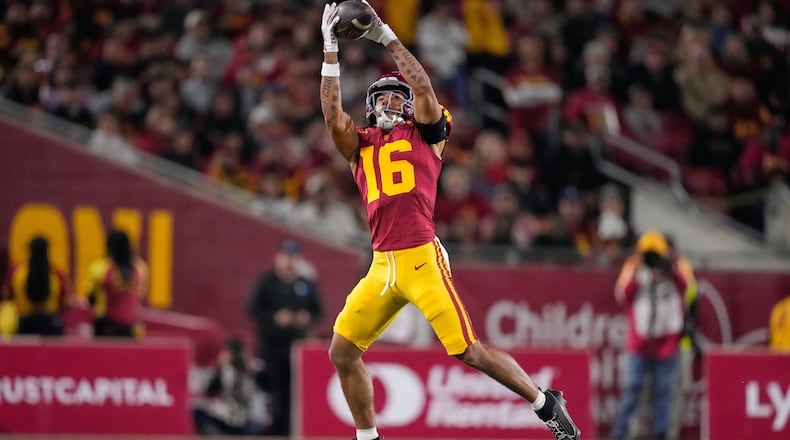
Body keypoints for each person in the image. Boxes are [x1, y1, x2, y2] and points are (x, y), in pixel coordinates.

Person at [318, 3, 580, 440]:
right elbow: (331, 117)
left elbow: (421, 87)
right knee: (342, 352)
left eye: (393, 97)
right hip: (382, 266)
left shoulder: (424, 134)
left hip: (421, 259)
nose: (386, 101)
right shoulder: (359, 146)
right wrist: (329, 49)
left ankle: (544, 402)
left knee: (468, 350)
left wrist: (384, 35)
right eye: (379, 97)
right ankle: (369, 438)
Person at [611, 230, 688, 440]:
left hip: (668, 341)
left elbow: (687, 289)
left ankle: (661, 433)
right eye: (649, 254)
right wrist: (638, 274)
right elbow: (621, 295)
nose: (653, 260)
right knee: (632, 388)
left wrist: (672, 267)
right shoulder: (634, 267)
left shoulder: (676, 265)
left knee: (664, 390)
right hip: (639, 341)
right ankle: (620, 433)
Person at [245, 239, 323, 437]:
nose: (289, 262)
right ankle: (271, 431)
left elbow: (318, 311)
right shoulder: (266, 282)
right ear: (278, 258)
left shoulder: (306, 284)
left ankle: (289, 432)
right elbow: (253, 309)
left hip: (297, 347)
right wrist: (275, 318)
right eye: (285, 257)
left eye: (293, 257)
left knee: (293, 392)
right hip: (271, 346)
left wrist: (306, 318)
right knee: (272, 390)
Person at [192, 337, 268, 436]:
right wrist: (221, 368)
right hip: (230, 419)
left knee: (256, 421)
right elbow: (210, 389)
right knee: (199, 411)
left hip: (251, 421)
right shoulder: (226, 371)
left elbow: (269, 387)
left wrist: (253, 371)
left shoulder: (256, 368)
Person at [0, 236, 71, 336]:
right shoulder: (56, 273)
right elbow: (66, 302)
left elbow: (6, 295)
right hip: (50, 325)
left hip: (23, 325)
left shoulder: (17, 271)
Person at [85, 229, 149, 338]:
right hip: (131, 326)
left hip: (105, 327)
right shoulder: (140, 267)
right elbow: (141, 294)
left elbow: (91, 298)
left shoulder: (100, 268)